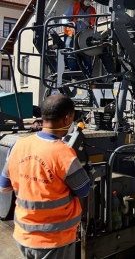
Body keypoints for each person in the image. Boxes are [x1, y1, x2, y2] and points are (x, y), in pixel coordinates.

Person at [0, 94, 90, 258]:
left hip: (23, 235)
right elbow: (83, 190)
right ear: (67, 118)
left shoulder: (18, 145)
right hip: (53, 240)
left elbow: (4, 187)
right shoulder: (63, 153)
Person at [63, 0, 115, 78]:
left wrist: (91, 27)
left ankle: (88, 76)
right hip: (71, 34)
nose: (88, 1)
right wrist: (70, 25)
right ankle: (74, 76)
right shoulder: (73, 6)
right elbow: (65, 19)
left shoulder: (92, 9)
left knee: (87, 54)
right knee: (70, 52)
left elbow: (93, 23)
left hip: (84, 36)